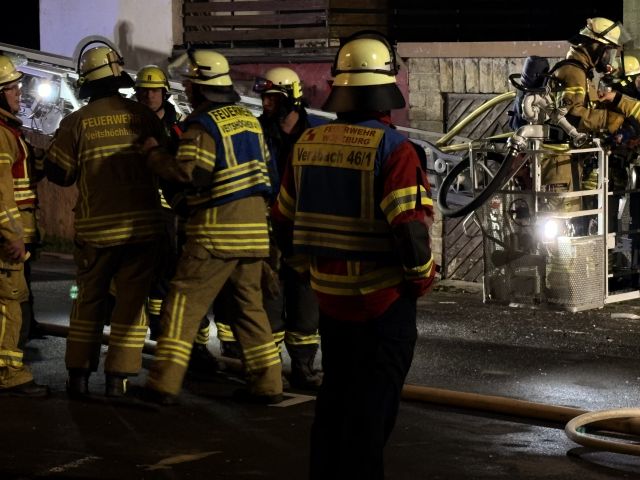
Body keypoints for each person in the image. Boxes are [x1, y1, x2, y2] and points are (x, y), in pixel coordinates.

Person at [270, 31, 436, 479]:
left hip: (330, 301)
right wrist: (420, 281)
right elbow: (410, 231)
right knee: (370, 420)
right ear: (385, 88)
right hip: (382, 305)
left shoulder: (307, 144)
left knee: (334, 408)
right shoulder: (395, 150)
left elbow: (282, 220)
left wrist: (304, 270)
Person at [141, 49, 282, 405]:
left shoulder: (202, 125)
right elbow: (271, 175)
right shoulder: (250, 120)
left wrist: (155, 156)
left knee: (182, 304)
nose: (187, 90)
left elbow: (192, 173)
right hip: (254, 233)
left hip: (216, 232)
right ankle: (268, 383)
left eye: (190, 84)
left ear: (200, 87)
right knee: (249, 308)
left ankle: (163, 383)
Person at [44, 42, 165, 398]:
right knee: (131, 303)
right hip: (141, 230)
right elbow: (164, 161)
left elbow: (60, 174)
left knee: (88, 301)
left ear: (87, 82)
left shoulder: (76, 122)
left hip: (96, 230)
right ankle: (118, 380)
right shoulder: (143, 117)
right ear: (117, 76)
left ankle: (79, 377)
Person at [214, 66, 324, 389]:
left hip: (305, 230)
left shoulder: (317, 134)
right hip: (267, 227)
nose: (265, 104)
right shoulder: (256, 132)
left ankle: (303, 367)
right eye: (264, 98)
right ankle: (269, 369)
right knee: (269, 297)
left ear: (291, 98)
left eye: (273, 98)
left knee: (305, 302)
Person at [134, 64, 218, 374]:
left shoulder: (180, 127)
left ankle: (192, 345)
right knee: (150, 276)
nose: (149, 96)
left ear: (164, 93)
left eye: (154, 91)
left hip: (173, 211)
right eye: (144, 91)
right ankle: (160, 332)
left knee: (176, 274)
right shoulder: (131, 125)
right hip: (140, 209)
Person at [0, 54, 49, 397]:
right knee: (9, 302)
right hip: (7, 239)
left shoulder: (10, 132)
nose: (19, 93)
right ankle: (8, 373)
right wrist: (12, 236)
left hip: (14, 234)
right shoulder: (2, 135)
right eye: (11, 88)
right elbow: (1, 193)